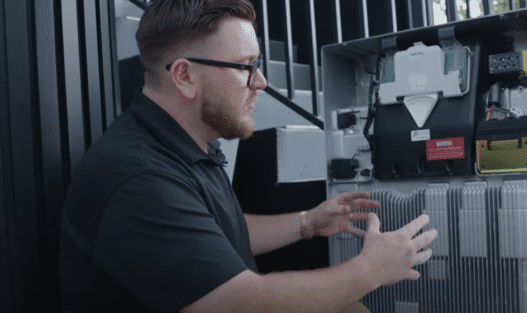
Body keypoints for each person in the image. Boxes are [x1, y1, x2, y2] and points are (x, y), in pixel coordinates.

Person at [59, 0, 438, 312]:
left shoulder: (188, 142)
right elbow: (240, 304)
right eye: (245, 66)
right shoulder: (138, 176)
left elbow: (216, 235)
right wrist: (371, 268)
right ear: (185, 77)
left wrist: (308, 221)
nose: (261, 82)